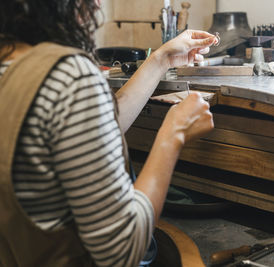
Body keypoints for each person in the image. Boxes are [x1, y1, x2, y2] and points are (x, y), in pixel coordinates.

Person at [0, 1, 216, 266]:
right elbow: (122, 251)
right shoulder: (69, 76)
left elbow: (89, 135)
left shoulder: (13, 66)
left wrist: (162, 59)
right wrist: (174, 133)